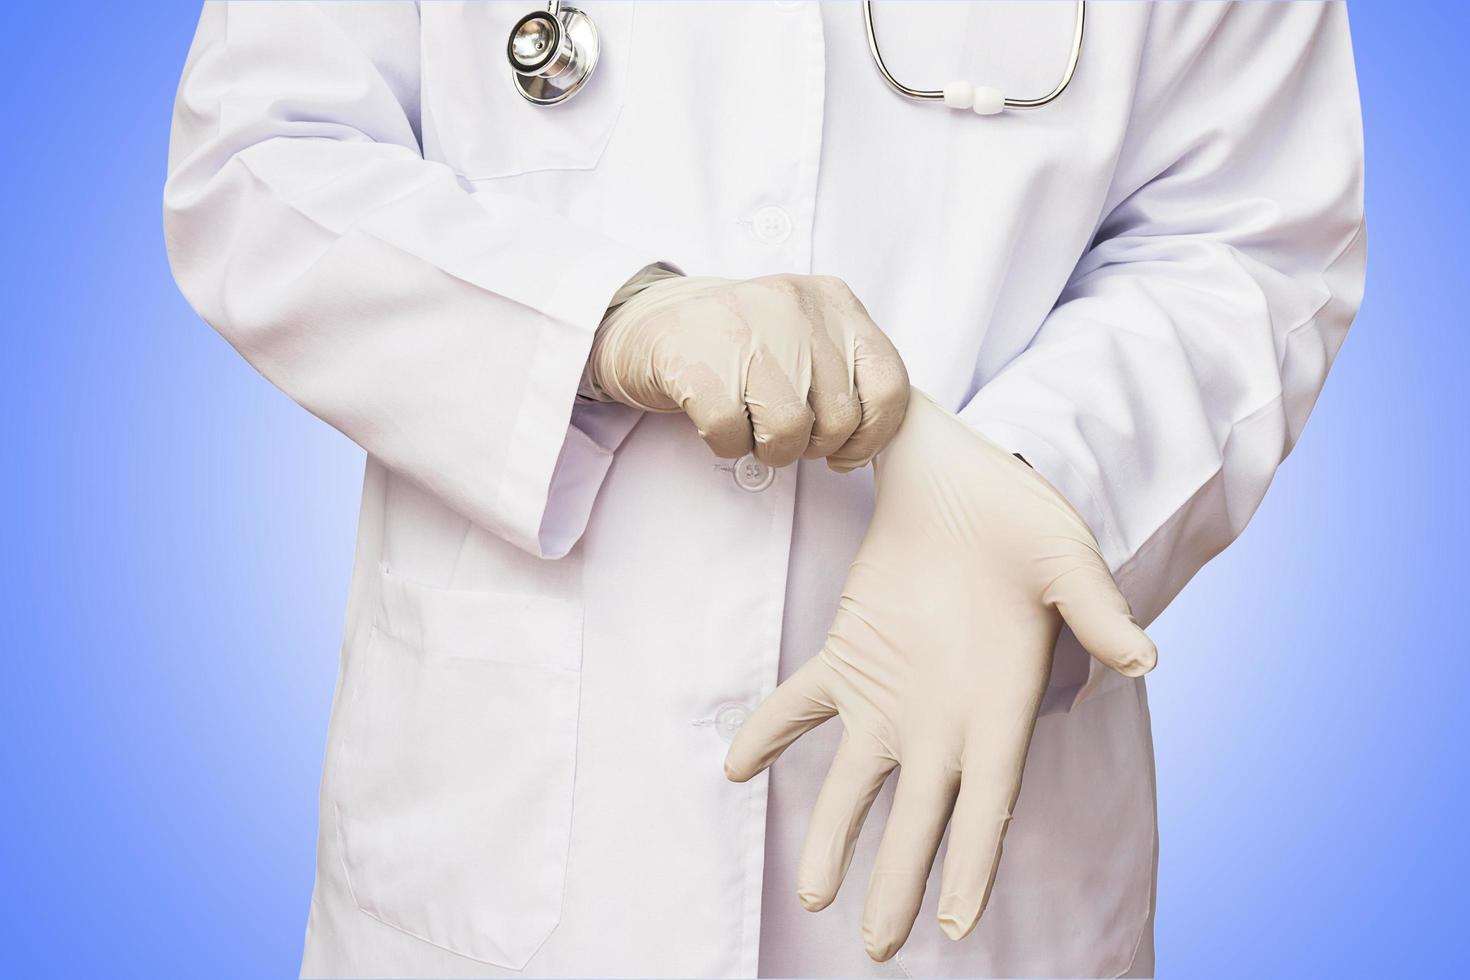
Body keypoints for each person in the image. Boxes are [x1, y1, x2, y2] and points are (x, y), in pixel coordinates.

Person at [163, 3, 1365, 977]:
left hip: (985, 864)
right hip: (501, 859)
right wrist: (601, 319)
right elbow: (259, 162)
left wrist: (1043, 476)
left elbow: (1248, 236)